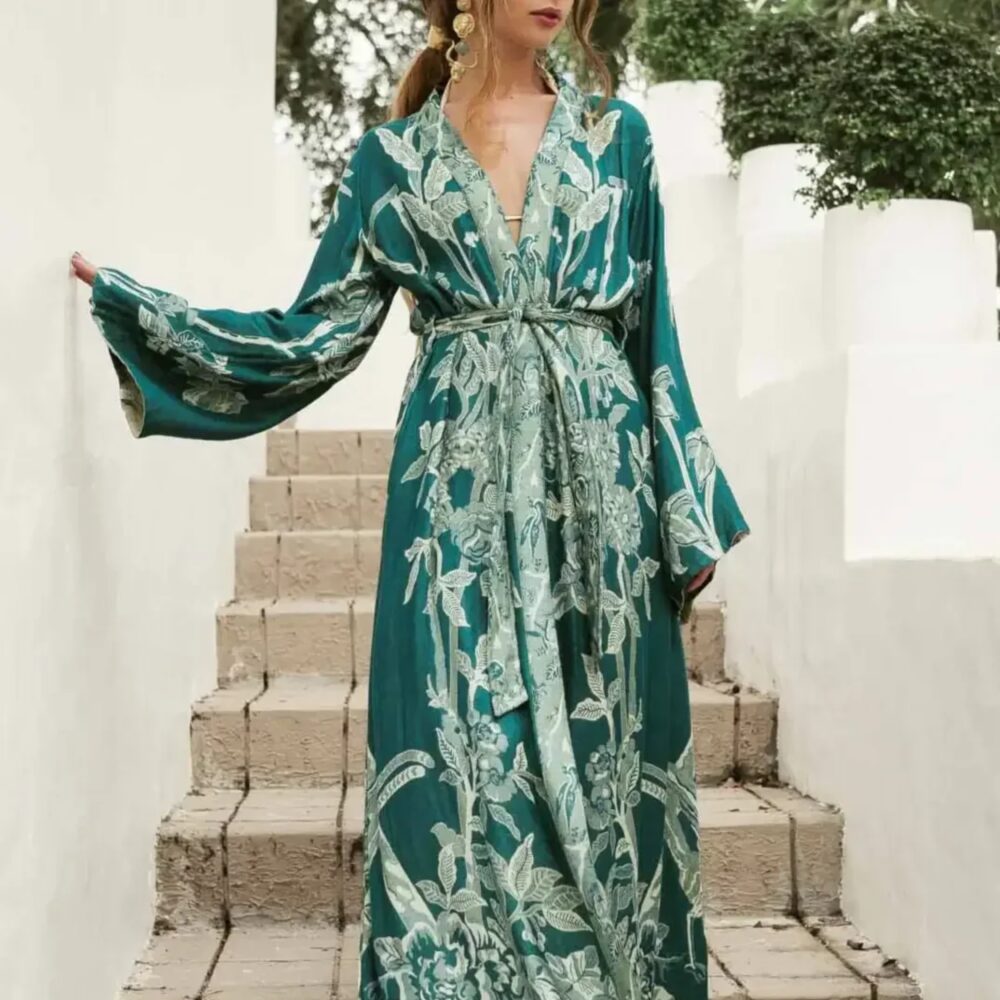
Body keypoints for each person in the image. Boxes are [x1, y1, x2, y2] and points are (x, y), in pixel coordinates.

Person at [71, 0, 750, 995]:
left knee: (606, 753)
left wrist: (683, 505)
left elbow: (655, 336)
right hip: (453, 496)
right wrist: (148, 316)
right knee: (457, 750)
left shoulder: (619, 137)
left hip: (599, 499)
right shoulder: (391, 161)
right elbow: (315, 334)